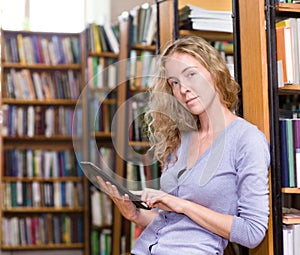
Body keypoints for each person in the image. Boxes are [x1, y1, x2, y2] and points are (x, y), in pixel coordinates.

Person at [97, 35, 270, 255]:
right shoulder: (182, 138)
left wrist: (180, 204)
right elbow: (174, 222)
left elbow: (252, 233)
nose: (183, 89)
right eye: (174, 83)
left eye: (191, 75)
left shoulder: (247, 140)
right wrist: (135, 215)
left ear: (215, 72)